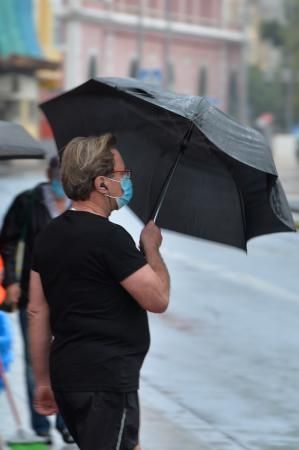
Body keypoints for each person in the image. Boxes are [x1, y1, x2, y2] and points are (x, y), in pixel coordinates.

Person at [28, 133, 170, 450]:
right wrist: (151, 248)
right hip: (105, 380)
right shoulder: (110, 238)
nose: (127, 181)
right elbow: (158, 299)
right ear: (101, 184)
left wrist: (42, 381)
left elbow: (37, 311)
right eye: (123, 175)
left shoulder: (48, 235)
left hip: (68, 376)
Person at [0, 157, 74, 444]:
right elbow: (7, 241)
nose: (61, 183)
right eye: (57, 176)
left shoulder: (78, 205)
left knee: (66, 359)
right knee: (35, 361)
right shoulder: (28, 202)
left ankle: (66, 422)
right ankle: (41, 424)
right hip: (32, 296)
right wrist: (12, 282)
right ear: (48, 174)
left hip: (68, 298)